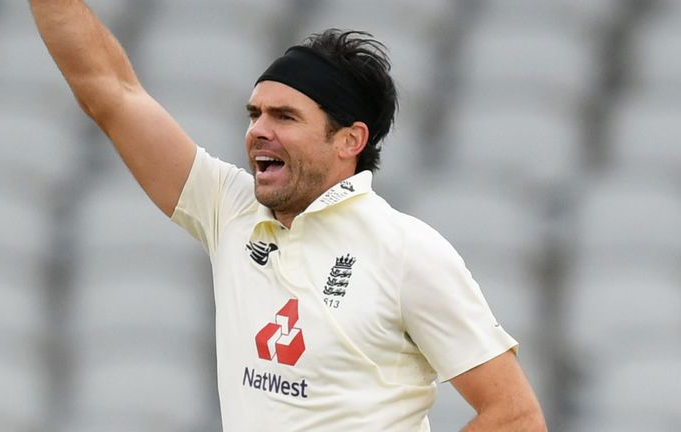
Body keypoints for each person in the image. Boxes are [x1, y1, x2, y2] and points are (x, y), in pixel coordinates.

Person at [30, 1, 547, 431]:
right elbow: (110, 93)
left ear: (350, 140)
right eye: (255, 113)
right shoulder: (228, 208)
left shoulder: (406, 250)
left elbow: (515, 416)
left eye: (285, 116)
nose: (258, 130)